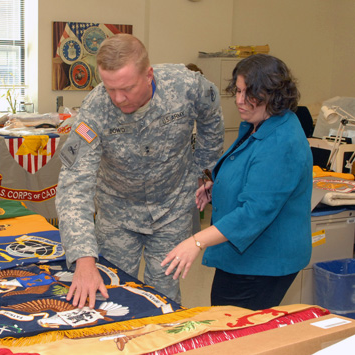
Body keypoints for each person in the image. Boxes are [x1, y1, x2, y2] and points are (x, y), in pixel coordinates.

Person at [55, 33, 224, 308]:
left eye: (127, 88)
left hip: (172, 208)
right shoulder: (95, 110)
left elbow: (212, 115)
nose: (119, 99)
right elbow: (75, 184)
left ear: (148, 74)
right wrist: (84, 258)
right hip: (117, 213)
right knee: (113, 293)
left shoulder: (186, 85)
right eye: (110, 89)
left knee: (164, 296)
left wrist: (204, 169)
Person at [162, 54, 313, 311]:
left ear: (273, 94)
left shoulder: (281, 142)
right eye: (239, 91)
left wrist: (196, 241)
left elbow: (255, 211)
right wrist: (218, 188)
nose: (240, 101)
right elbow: (248, 172)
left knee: (234, 333)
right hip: (245, 258)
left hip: (263, 263)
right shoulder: (259, 124)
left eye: (250, 94)